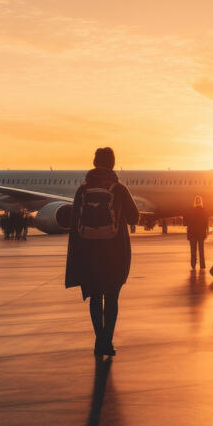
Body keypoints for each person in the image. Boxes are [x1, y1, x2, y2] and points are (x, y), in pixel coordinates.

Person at [65, 147, 140, 356]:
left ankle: (99, 341)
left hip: (89, 253)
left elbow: (74, 224)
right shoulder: (119, 189)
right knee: (112, 298)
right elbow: (135, 217)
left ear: (94, 162)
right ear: (113, 163)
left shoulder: (82, 190)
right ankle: (107, 340)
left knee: (96, 297)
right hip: (115, 253)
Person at [184, 196, 209, 270]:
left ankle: (193, 264)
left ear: (195, 202)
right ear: (201, 202)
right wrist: (206, 231)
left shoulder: (191, 210)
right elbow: (206, 222)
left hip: (192, 233)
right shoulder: (203, 210)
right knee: (201, 250)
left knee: (193, 250)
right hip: (201, 233)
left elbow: (187, 222)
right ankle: (202, 265)